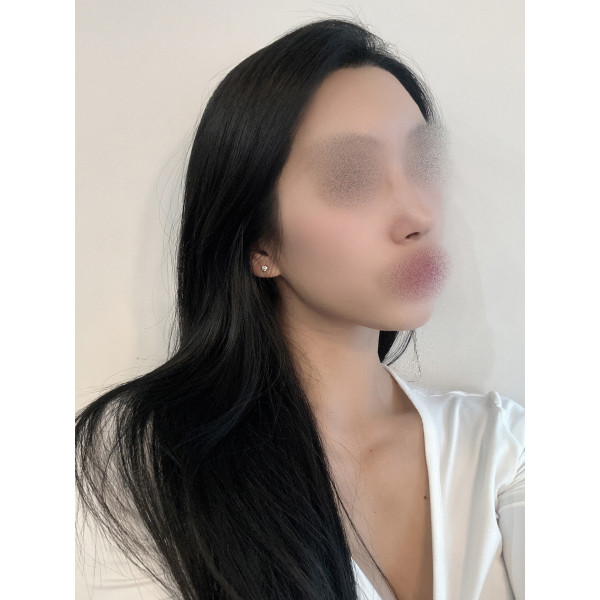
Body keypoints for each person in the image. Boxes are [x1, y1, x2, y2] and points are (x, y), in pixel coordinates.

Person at [76, 18, 524, 600]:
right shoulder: (138, 460)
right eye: (353, 177)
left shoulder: (502, 444)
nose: (418, 215)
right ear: (260, 243)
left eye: (424, 164)